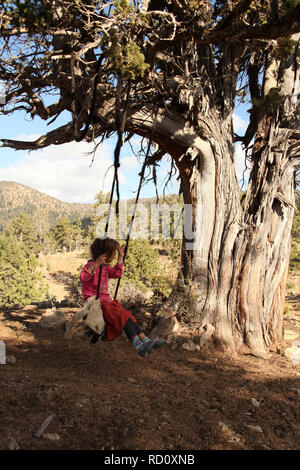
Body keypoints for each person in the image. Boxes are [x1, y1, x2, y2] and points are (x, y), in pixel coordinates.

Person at [80, 237, 165, 358]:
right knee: (123, 316)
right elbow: (83, 277)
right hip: (96, 304)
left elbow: (117, 273)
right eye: (113, 254)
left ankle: (145, 340)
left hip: (108, 303)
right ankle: (139, 346)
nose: (114, 256)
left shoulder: (104, 267)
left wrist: (121, 257)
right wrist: (96, 264)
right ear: (104, 255)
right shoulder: (91, 266)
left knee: (128, 316)